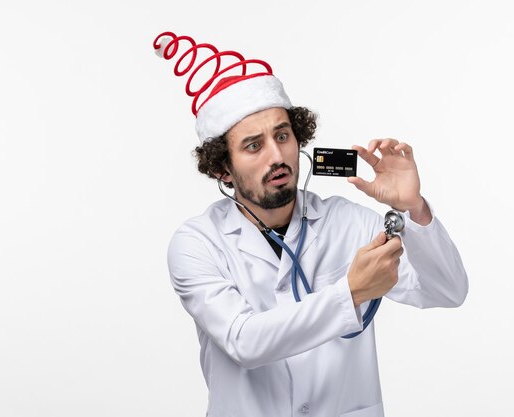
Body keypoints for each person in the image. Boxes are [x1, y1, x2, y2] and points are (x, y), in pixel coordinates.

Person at [156, 31, 468, 417]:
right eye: (254, 146)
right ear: (223, 168)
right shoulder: (197, 243)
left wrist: (414, 209)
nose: (277, 156)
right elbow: (244, 341)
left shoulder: (345, 221)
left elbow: (448, 291)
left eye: (283, 136)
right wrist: (351, 291)